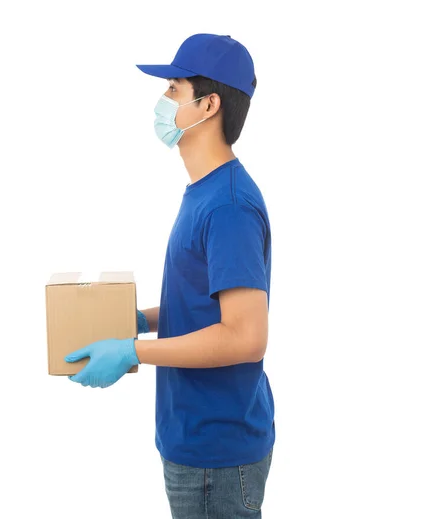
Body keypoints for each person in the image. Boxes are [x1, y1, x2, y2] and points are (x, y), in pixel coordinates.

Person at [65, 33, 275, 518]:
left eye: (174, 89)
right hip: (194, 438)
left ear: (209, 105)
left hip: (216, 455)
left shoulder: (228, 206)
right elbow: (209, 301)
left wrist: (133, 351)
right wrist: (139, 319)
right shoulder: (205, 192)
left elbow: (246, 336)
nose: (162, 101)